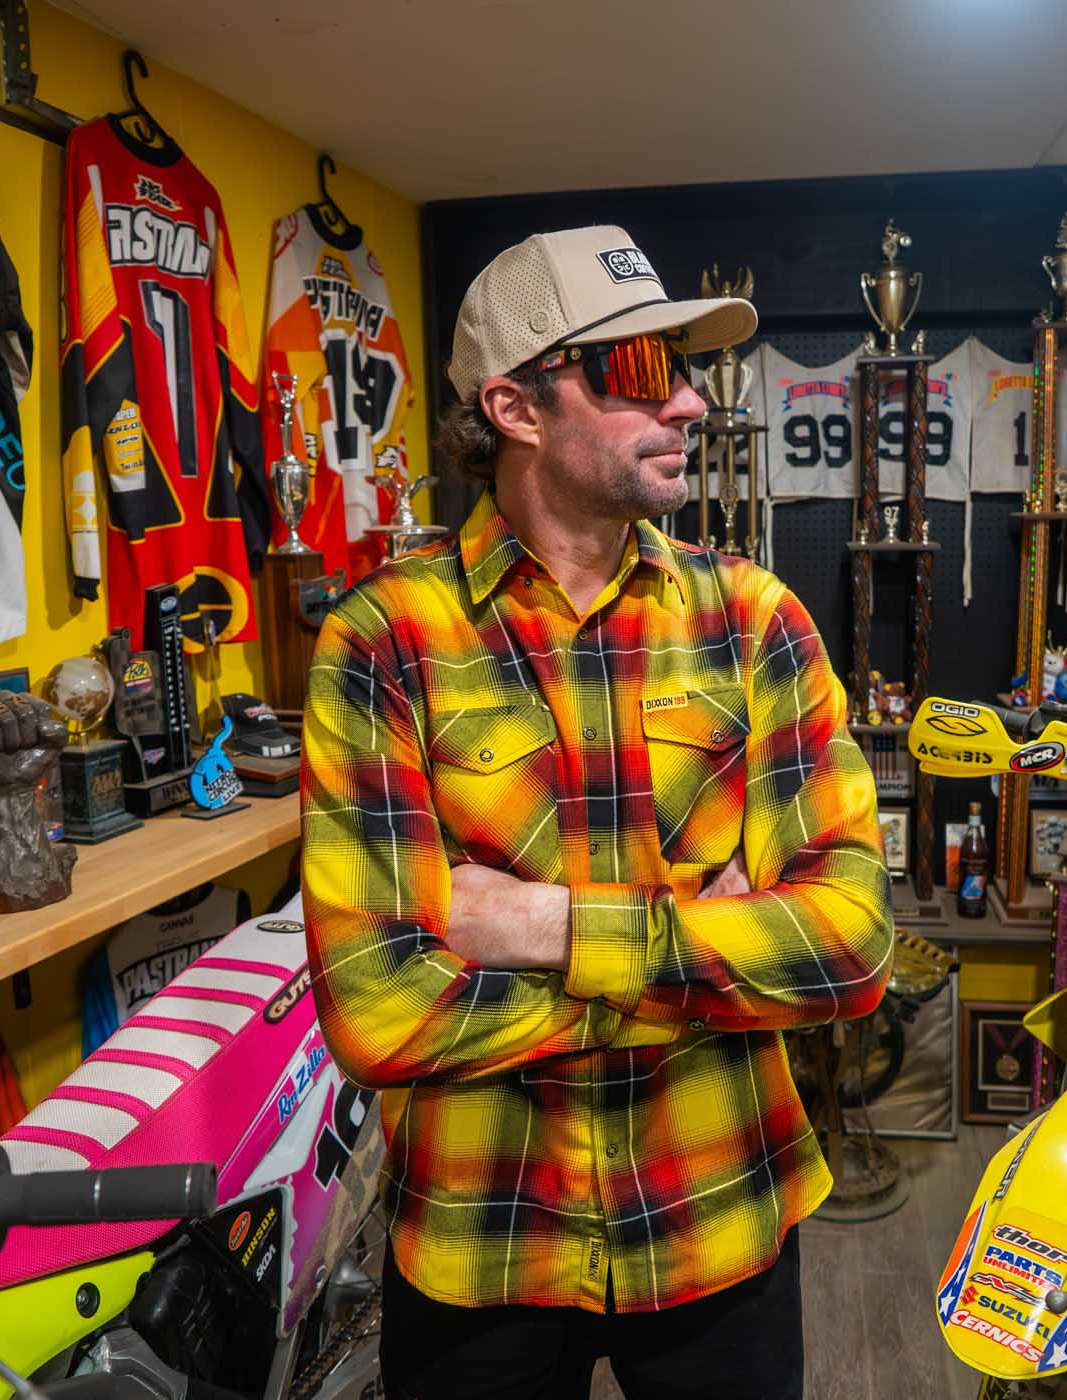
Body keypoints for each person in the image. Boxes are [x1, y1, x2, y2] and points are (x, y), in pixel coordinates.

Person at [299, 226, 891, 1399]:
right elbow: (376, 1011)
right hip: (483, 1239)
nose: (688, 402)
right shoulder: (384, 641)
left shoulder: (753, 620)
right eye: (638, 370)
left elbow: (851, 943)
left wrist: (536, 924)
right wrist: (711, 950)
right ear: (515, 407)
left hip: (721, 1211)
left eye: (684, 367)